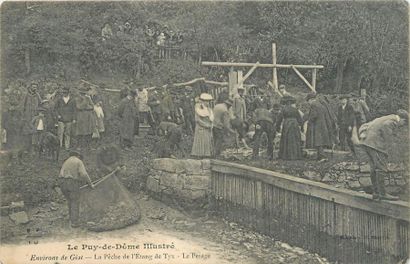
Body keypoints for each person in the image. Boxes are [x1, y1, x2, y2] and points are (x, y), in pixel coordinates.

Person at [358, 109, 408, 201]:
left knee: (374, 168)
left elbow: (366, 125)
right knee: (381, 168)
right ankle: (382, 193)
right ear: (403, 120)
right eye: (404, 124)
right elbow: (387, 130)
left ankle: (376, 193)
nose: (402, 126)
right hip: (376, 144)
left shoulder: (386, 117)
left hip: (367, 143)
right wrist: (390, 146)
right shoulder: (393, 121)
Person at [59, 150, 94, 228]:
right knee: (75, 201)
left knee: (70, 200)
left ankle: (71, 218)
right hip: (71, 183)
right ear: (78, 155)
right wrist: (90, 184)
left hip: (62, 182)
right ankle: (74, 222)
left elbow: (61, 174)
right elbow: (84, 174)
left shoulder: (66, 161)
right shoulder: (78, 161)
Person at [304, 93, 333, 162]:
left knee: (318, 142)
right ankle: (320, 156)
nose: (308, 103)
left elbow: (314, 115)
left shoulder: (314, 105)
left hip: (317, 126)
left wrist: (309, 121)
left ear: (311, 100)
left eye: (308, 101)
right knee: (320, 141)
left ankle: (323, 157)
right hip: (323, 125)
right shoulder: (321, 105)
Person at [191, 93, 214, 158]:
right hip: (201, 127)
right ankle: (199, 155)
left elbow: (211, 118)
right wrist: (205, 125)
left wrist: (211, 124)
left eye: (208, 101)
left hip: (208, 127)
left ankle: (206, 154)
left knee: (207, 141)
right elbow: (197, 119)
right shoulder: (198, 108)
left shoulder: (209, 109)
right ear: (203, 101)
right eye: (206, 101)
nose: (208, 103)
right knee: (201, 140)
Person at [22, 81, 42, 153]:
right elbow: (23, 105)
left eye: (36, 87)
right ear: (30, 87)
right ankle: (26, 149)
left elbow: (41, 104)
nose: (35, 88)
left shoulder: (37, 95)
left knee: (34, 132)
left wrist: (39, 113)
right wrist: (23, 116)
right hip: (27, 116)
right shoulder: (26, 95)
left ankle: (33, 149)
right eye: (33, 87)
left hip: (35, 116)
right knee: (26, 133)